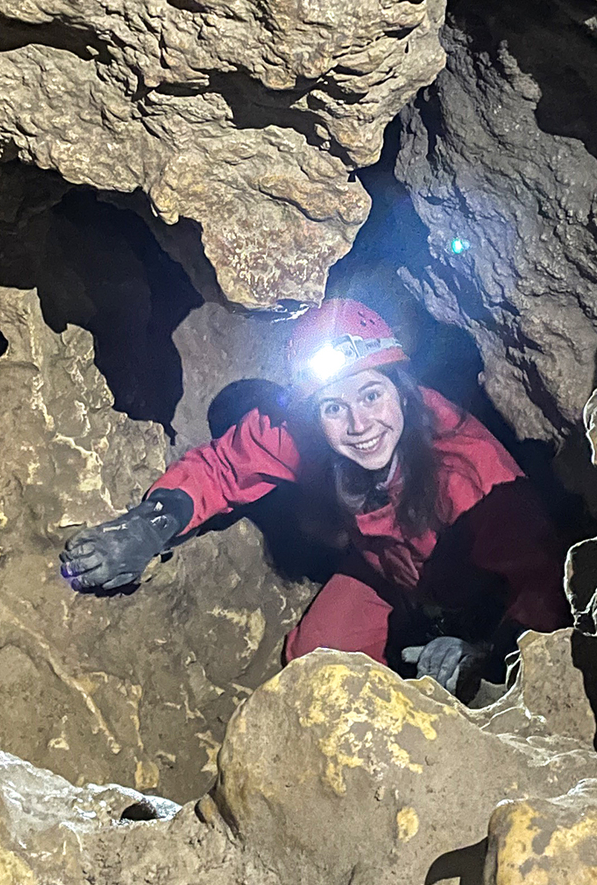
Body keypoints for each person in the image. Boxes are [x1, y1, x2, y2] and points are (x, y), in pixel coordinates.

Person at [58, 299, 570, 698]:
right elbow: (222, 466)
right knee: (315, 665)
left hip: (489, 599)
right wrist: (150, 525)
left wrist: (488, 651)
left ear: (401, 390)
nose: (359, 425)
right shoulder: (303, 437)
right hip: (387, 574)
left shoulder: (466, 464)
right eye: (333, 407)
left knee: (475, 698)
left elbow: (544, 581)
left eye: (371, 395)